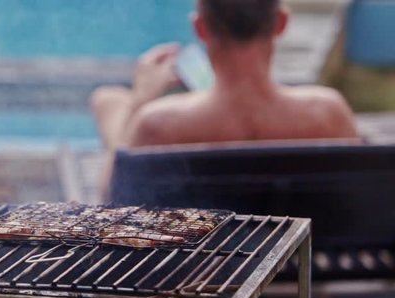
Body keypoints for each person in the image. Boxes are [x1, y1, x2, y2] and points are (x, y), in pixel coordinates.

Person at [91, 0, 358, 194]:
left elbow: (111, 199)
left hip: (202, 264)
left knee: (109, 102)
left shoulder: (157, 125)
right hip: (306, 258)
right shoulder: (328, 113)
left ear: (200, 28)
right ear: (281, 23)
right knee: (109, 100)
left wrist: (141, 100)